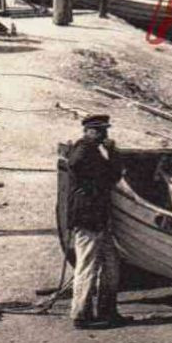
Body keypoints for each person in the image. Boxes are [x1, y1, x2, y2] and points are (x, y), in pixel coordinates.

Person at [64, 114, 125, 329]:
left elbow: (113, 174)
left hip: (98, 218)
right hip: (88, 217)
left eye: (104, 130)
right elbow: (78, 164)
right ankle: (80, 314)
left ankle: (107, 310)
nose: (104, 135)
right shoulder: (84, 148)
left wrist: (111, 153)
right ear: (89, 131)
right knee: (87, 266)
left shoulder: (94, 150)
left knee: (111, 265)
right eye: (100, 131)